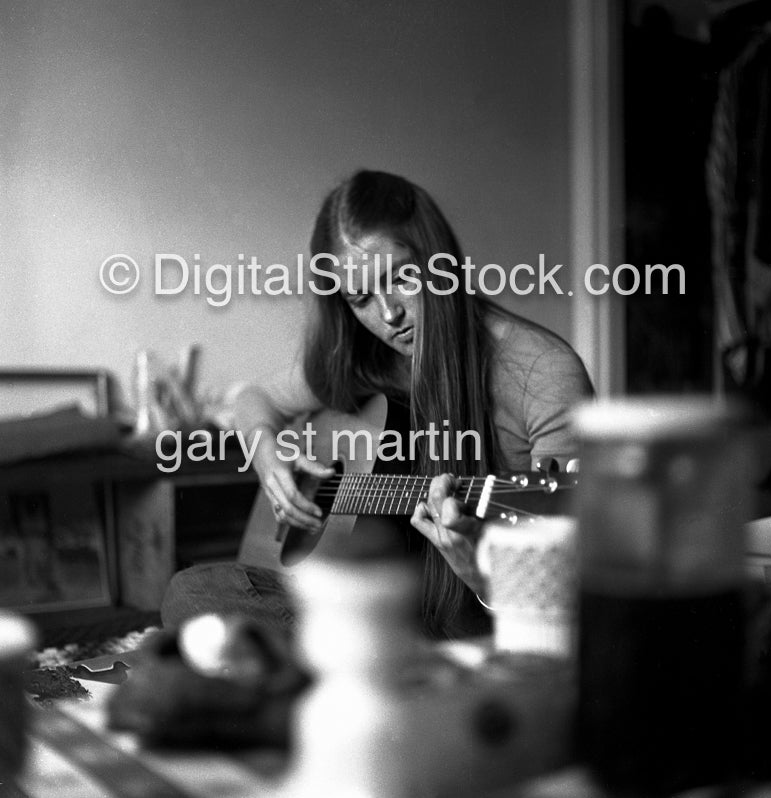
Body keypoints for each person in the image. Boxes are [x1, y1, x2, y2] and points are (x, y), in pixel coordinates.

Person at [161, 169, 593, 639]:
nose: (389, 314)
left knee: (218, 623)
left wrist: (478, 572)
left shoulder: (543, 373)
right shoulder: (369, 356)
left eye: (402, 277)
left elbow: (571, 601)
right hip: (381, 595)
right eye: (361, 298)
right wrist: (270, 460)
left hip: (478, 618)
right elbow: (253, 398)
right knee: (191, 591)